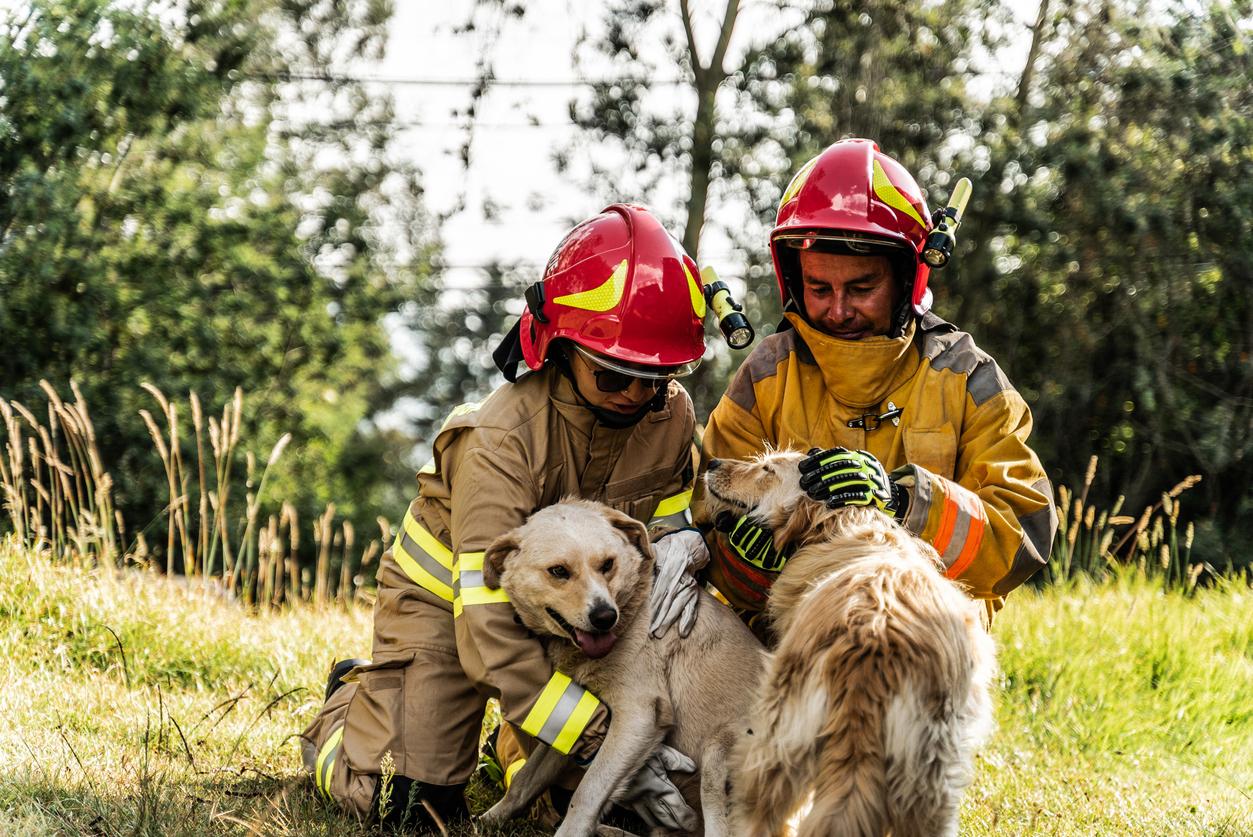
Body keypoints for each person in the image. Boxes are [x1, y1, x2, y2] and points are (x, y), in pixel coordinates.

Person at [299, 204, 713, 830]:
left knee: (612, 807)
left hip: (584, 611)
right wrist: (596, 732)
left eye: (654, 380)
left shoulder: (671, 415)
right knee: (411, 811)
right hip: (451, 608)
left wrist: (682, 543)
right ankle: (350, 708)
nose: (636, 396)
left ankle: (523, 752)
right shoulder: (500, 437)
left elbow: (671, 514)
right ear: (561, 348)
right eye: (614, 375)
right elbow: (486, 625)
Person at [654, 138, 1057, 634]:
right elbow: (706, 518)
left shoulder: (968, 379)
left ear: (907, 278)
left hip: (928, 648)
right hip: (787, 651)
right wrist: (747, 561)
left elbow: (1024, 537)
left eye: (862, 288)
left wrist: (905, 501)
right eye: (819, 289)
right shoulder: (765, 377)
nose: (839, 310)